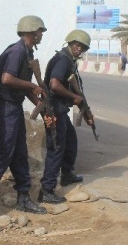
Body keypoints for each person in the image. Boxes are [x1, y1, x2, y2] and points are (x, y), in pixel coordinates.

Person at [0, 15, 49, 222]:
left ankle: (23, 197)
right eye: (40, 31)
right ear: (32, 32)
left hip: (13, 107)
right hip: (6, 108)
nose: (41, 35)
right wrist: (33, 86)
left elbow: (22, 85)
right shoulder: (16, 52)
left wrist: (41, 106)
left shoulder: (26, 51)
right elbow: (8, 79)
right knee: (3, 155)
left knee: (19, 154)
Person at [38, 30, 91, 204]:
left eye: (82, 47)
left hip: (60, 109)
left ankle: (67, 174)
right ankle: (47, 190)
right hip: (54, 109)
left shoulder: (68, 59)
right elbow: (54, 84)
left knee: (70, 141)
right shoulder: (62, 59)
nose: (79, 49)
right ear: (70, 43)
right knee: (56, 148)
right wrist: (73, 97)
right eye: (77, 45)